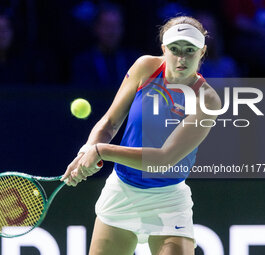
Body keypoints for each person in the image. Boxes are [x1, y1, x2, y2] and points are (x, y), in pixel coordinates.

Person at [61, 16, 221, 255]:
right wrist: (86, 150)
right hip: (122, 194)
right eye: (175, 49)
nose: (181, 58)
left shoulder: (207, 100)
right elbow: (109, 122)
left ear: (202, 52)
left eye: (190, 50)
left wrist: (101, 151)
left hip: (168, 201)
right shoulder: (145, 67)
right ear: (163, 49)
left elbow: (164, 159)